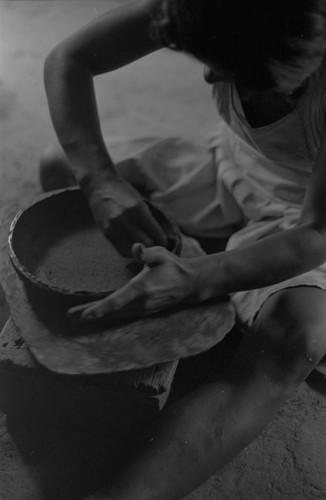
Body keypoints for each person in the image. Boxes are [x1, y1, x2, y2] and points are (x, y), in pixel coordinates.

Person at [42, 0, 326, 498]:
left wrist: (199, 279)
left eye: (233, 71)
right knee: (62, 167)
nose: (210, 79)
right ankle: (197, 248)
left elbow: (314, 234)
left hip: (308, 214)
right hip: (234, 161)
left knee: (298, 335)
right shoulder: (209, 7)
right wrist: (100, 179)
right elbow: (69, 58)